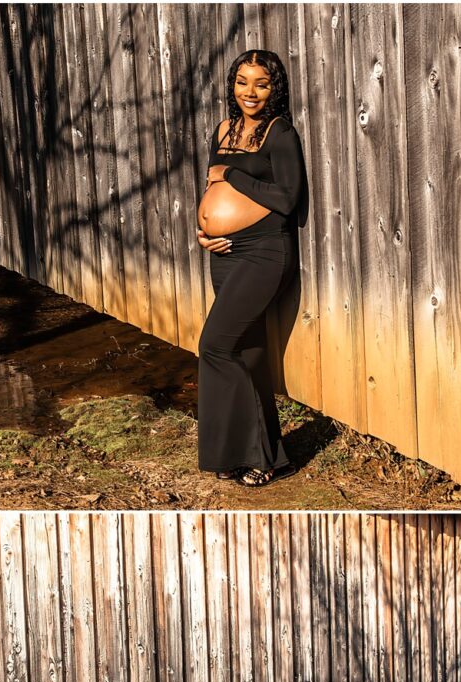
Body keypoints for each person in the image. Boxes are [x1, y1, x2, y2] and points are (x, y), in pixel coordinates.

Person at [196, 49, 305, 486]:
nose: (251, 92)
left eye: (261, 83)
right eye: (242, 81)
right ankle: (267, 458)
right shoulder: (224, 130)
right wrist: (203, 231)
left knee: (215, 347)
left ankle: (241, 450)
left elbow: (286, 199)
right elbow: (210, 185)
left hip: (264, 253)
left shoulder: (281, 134)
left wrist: (232, 175)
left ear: (274, 88)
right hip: (223, 252)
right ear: (232, 85)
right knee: (249, 354)